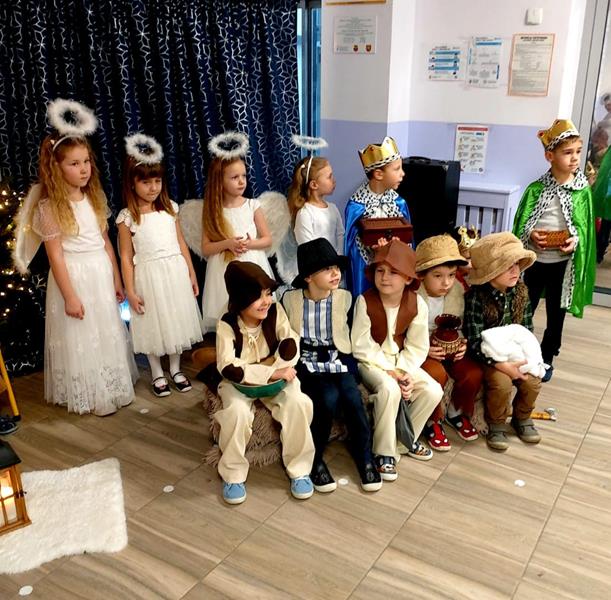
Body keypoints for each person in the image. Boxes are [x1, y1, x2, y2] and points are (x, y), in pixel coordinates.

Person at [13, 99, 137, 415]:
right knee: (83, 334)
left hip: (99, 272)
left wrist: (116, 279)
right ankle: (93, 395)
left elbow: (105, 243)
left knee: (106, 331)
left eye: (86, 162)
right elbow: (55, 256)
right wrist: (69, 296)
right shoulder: (50, 208)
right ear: (57, 168)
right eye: (74, 164)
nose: (83, 169)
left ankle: (113, 386)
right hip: (74, 277)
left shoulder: (94, 197)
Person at [282, 238, 381, 493]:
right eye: (327, 269)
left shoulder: (345, 298)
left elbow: (352, 334)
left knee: (352, 398)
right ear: (308, 277)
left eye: (336, 267)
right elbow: (283, 335)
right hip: (307, 360)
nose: (336, 273)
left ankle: (365, 456)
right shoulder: (290, 300)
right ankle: (314, 459)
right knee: (326, 398)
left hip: (338, 357)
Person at [214, 261, 315, 504]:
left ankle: (300, 469)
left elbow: (289, 342)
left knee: (298, 402)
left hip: (275, 376)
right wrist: (269, 373)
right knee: (236, 412)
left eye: (268, 294)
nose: (266, 301)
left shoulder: (275, 312)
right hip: (239, 383)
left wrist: (279, 367)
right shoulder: (227, 324)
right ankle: (233, 473)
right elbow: (229, 367)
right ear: (241, 299)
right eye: (257, 297)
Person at [117, 134, 203, 397]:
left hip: (175, 273)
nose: (153, 187)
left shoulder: (170, 209)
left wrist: (191, 273)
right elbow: (125, 257)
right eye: (145, 182)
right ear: (132, 183)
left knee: (177, 320)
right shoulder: (127, 217)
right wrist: (130, 291)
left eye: (157, 181)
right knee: (152, 323)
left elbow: (181, 244)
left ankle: (175, 368)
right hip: (148, 276)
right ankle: (156, 371)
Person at [513, 119, 596, 382]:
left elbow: (584, 228)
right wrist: (531, 234)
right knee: (525, 307)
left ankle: (547, 355)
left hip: (563, 264)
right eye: (567, 152)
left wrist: (575, 240)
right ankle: (522, 352)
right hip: (536, 261)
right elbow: (522, 224)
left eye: (578, 151)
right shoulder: (536, 190)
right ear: (550, 156)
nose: (575, 158)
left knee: (556, 313)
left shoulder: (581, 191)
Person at [351, 239, 442, 480]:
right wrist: (389, 371)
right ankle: (383, 452)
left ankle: (404, 441)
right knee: (389, 390)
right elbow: (361, 345)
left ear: (408, 279)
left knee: (433, 390)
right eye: (380, 270)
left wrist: (402, 371)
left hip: (402, 362)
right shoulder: (365, 301)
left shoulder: (417, 304)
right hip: (372, 362)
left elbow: (417, 346)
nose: (384, 278)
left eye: (393, 272)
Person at [464, 232, 542, 452]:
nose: (515, 271)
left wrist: (528, 359)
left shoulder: (521, 293)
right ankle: (497, 423)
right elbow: (474, 341)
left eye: (517, 264)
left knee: (532, 381)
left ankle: (522, 417)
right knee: (502, 383)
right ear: (490, 271)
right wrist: (501, 365)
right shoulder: (476, 298)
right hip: (488, 357)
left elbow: (526, 331)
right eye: (508, 266)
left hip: (516, 353)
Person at [201, 132, 274, 332]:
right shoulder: (213, 210)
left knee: (253, 306)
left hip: (252, 262)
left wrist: (250, 244)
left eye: (243, 176)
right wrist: (228, 244)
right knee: (229, 312)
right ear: (220, 181)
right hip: (224, 268)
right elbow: (206, 248)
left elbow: (267, 239)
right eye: (234, 177)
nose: (242, 181)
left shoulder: (252, 205)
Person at [415, 235, 482, 451]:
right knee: (436, 374)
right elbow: (405, 332)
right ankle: (432, 420)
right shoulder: (413, 296)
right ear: (422, 275)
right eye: (438, 276)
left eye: (451, 275)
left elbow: (462, 326)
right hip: (423, 348)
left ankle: (456, 412)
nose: (446, 283)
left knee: (472, 373)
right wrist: (425, 349)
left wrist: (462, 343)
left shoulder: (458, 292)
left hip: (450, 346)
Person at [344, 137, 410, 296]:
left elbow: (408, 238)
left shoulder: (399, 203)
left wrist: (396, 247)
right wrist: (370, 248)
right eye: (397, 169)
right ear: (379, 174)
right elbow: (350, 245)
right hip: (364, 266)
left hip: (393, 269)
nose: (402, 174)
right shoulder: (356, 206)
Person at [287, 153, 344, 253]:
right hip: (316, 262)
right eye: (329, 177)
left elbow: (340, 235)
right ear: (314, 185)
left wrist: (338, 257)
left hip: (335, 262)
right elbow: (307, 248)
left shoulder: (333, 208)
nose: (334, 180)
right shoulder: (305, 213)